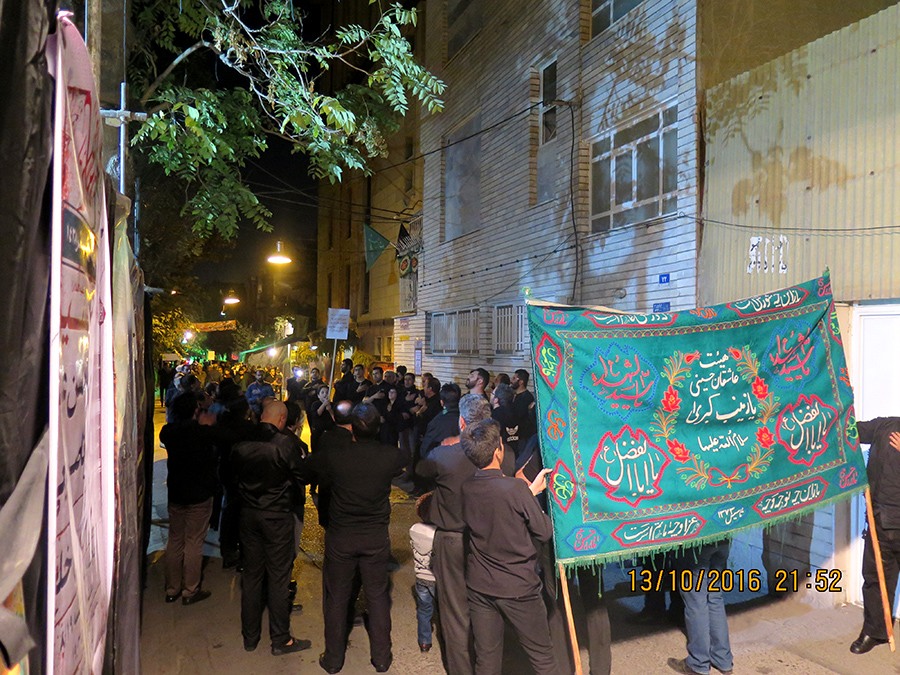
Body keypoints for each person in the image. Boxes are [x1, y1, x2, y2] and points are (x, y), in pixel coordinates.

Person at [304, 403, 406, 674]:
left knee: (338, 597)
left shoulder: (336, 456)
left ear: (351, 429)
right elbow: (410, 465)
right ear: (378, 428)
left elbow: (306, 468)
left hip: (342, 537)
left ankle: (334, 659)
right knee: (377, 596)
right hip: (374, 537)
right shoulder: (390, 456)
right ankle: (382, 658)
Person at [459, 418, 555, 675]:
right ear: (498, 449)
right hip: (518, 587)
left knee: (487, 660)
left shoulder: (467, 487)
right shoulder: (515, 489)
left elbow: (497, 512)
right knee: (543, 658)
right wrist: (530, 496)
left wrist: (528, 494)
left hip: (480, 587)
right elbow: (544, 532)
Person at [415, 393, 494, 675]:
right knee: (485, 608)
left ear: (461, 421)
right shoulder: (499, 454)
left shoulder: (445, 454)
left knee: (455, 613)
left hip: (452, 539)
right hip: (490, 540)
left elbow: (420, 470)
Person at [231, 401, 312, 656]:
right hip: (276, 516)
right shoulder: (284, 444)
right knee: (278, 578)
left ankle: (250, 636)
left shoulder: (241, 441)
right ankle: (280, 639)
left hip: (248, 514)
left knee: (252, 576)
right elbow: (303, 475)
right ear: (281, 420)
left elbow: (229, 476)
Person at [159, 392, 221, 605]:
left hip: (176, 492)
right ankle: (190, 590)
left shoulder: (168, 432)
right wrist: (207, 424)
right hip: (199, 494)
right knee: (194, 541)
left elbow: (168, 434)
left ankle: (171, 588)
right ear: (196, 410)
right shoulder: (202, 433)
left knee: (175, 539)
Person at [850, 419, 900, 654]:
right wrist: (835, 401)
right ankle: (875, 630)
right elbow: (852, 430)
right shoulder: (886, 426)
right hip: (880, 521)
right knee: (874, 578)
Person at [667, 540, 733, 675]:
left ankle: (698, 663)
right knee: (715, 598)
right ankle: (722, 659)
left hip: (696, 540)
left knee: (696, 602)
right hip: (723, 536)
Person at [410, 492, 437, 653]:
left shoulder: (414, 529)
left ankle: (424, 641)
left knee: (424, 610)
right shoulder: (439, 533)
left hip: (421, 577)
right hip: (436, 578)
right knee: (443, 609)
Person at [419, 383, 462, 458]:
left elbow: (425, 449)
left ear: (442, 402)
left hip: (441, 462)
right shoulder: (466, 417)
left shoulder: (437, 422)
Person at [510, 369, 537, 446]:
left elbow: (519, 416)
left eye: (514, 378)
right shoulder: (513, 395)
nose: (511, 380)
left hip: (521, 437)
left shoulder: (527, 398)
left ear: (521, 382)